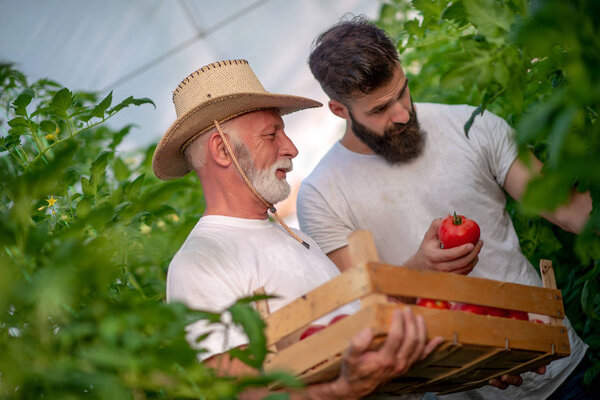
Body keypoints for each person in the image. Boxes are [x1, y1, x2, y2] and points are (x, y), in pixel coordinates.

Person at [297, 16, 593, 400]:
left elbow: (569, 210)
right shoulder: (322, 194)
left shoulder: (472, 125)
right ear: (340, 110)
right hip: (458, 385)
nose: (402, 113)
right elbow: (365, 312)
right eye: (380, 109)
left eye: (402, 91)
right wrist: (418, 271)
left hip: (562, 369)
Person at [152, 59, 444, 400]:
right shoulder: (201, 261)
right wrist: (344, 391)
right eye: (271, 134)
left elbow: (357, 325)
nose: (291, 148)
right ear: (223, 150)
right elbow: (240, 394)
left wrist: (476, 361)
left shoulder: (294, 236)